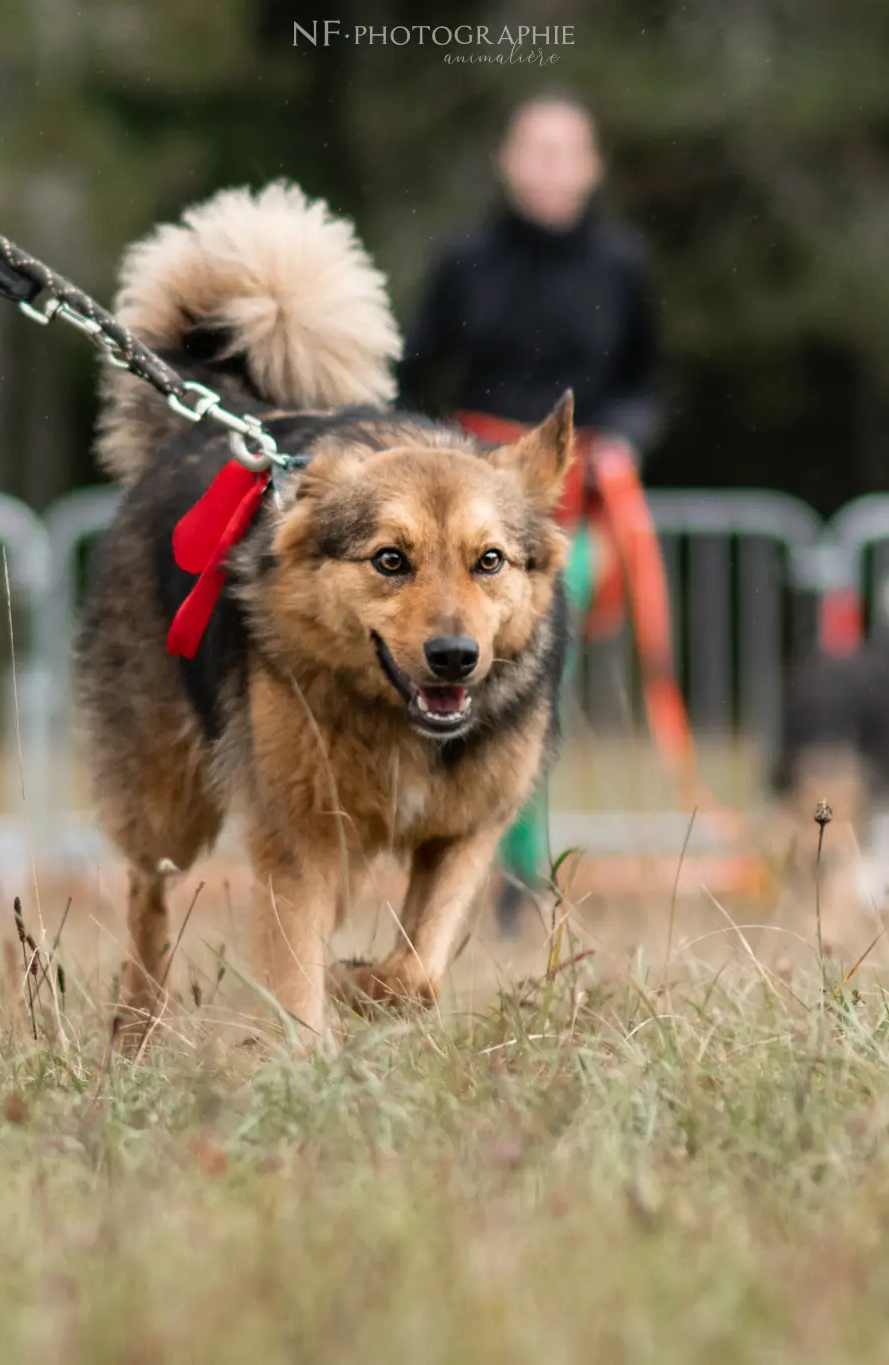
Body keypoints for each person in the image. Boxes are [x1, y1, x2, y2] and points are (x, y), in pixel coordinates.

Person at [397, 93, 663, 934]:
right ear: (508, 163)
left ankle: (515, 863)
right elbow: (407, 374)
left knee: (532, 671)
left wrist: (621, 439)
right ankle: (447, 844)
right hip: (469, 496)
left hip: (572, 512)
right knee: (454, 671)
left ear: (592, 168)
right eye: (535, 151)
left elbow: (650, 384)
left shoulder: (624, 266)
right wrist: (430, 454)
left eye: (566, 152)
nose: (550, 168)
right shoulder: (464, 261)